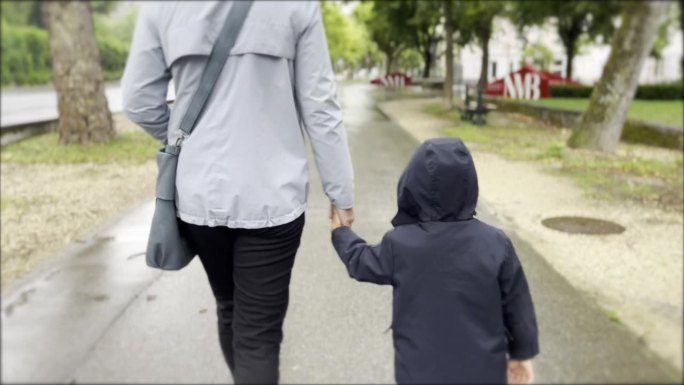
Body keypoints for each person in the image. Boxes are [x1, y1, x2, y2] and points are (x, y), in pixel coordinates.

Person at [122, 2, 354, 384]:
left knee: (229, 306)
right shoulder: (298, 6)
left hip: (199, 201)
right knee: (259, 335)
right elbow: (320, 106)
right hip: (273, 198)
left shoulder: (161, 7)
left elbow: (138, 101)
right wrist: (340, 191)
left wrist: (186, 143)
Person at [330, 137, 539, 384]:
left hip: (419, 373)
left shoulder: (401, 244)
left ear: (411, 184)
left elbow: (360, 261)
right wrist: (521, 355)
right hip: (483, 371)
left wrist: (341, 232)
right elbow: (517, 304)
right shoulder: (495, 243)